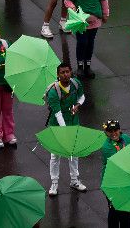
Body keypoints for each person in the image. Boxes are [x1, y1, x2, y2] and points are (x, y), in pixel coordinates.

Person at [45, 62, 88, 195]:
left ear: (71, 72)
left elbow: (82, 96)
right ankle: (54, 183)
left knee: (73, 153)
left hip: (73, 123)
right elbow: (57, 114)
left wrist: (78, 105)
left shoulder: (76, 84)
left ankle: (74, 180)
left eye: (67, 72)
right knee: (55, 155)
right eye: (62, 72)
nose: (65, 75)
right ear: (58, 75)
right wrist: (64, 132)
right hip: (58, 126)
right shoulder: (53, 92)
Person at [64, 0, 109, 78]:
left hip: (95, 19)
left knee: (90, 42)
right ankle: (80, 67)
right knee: (82, 42)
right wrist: (72, 7)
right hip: (81, 21)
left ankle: (87, 66)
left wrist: (105, 14)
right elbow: (67, 0)